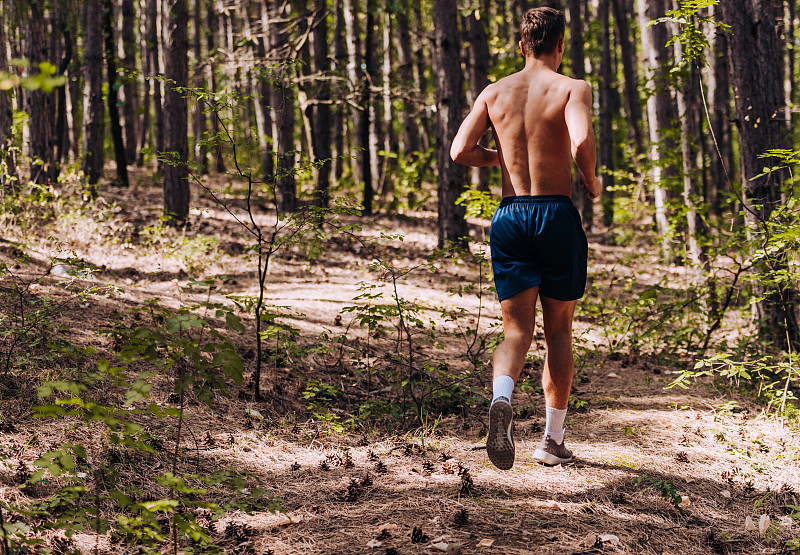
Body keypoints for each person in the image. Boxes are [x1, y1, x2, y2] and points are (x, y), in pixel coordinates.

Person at [450, 7, 601, 470]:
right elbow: (579, 141)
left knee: (516, 328)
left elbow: (460, 151)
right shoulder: (572, 87)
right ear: (560, 46)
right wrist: (590, 180)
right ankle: (551, 441)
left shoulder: (495, 92)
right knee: (558, 329)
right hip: (555, 214)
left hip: (511, 216)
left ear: (521, 46)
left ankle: (502, 398)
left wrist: (504, 158)